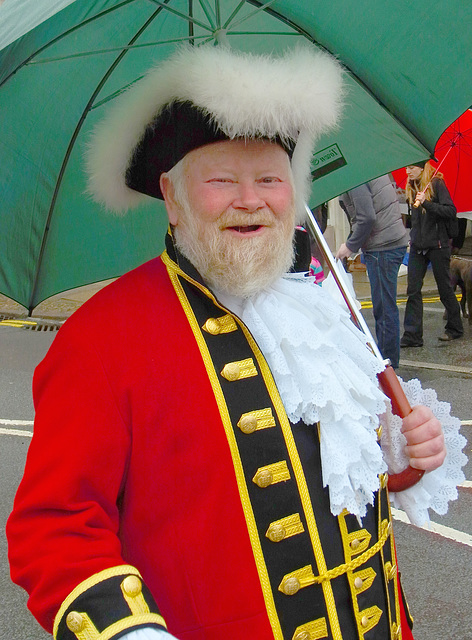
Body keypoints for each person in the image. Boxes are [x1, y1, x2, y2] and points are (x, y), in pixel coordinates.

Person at [7, 45, 454, 640]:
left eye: (270, 179)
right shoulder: (102, 338)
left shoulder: (321, 306)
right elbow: (55, 527)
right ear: (172, 195)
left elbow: (334, 483)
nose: (251, 200)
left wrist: (395, 453)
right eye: (222, 181)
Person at [336, 176, 409, 369]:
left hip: (383, 247)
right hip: (390, 242)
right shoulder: (367, 169)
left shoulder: (355, 177)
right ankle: (388, 360)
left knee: (384, 309)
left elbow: (367, 217)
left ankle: (387, 365)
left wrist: (350, 246)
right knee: (386, 307)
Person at [400, 161, 463, 346]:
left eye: (411, 167)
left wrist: (427, 203)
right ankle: (412, 335)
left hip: (438, 245)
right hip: (418, 246)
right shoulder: (412, 186)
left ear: (422, 168)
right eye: (407, 167)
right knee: (412, 290)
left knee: (444, 288)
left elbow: (451, 211)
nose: (407, 171)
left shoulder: (436, 183)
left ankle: (455, 328)